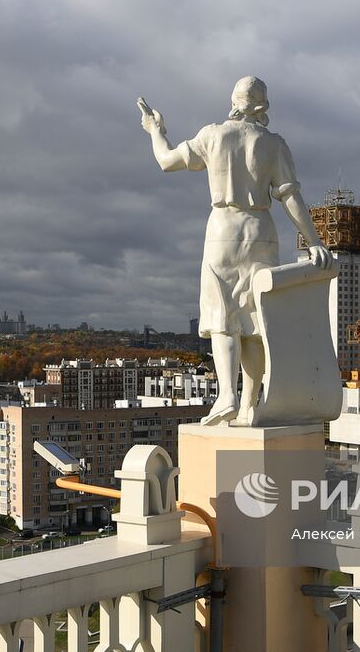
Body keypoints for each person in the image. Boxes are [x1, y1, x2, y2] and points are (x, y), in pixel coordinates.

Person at [139, 76, 333, 426]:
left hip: (223, 230)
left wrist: (155, 129)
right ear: (262, 106)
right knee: (255, 320)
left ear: (234, 102)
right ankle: (250, 403)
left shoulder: (213, 135)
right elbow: (290, 196)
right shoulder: (274, 144)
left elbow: (166, 161)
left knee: (223, 319)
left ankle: (226, 394)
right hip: (261, 229)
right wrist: (314, 241)